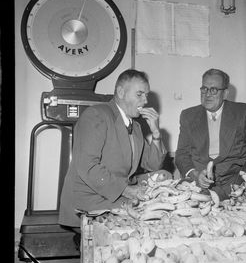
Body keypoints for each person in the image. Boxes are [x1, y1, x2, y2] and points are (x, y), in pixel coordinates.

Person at [59, 69, 170, 235]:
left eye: (146, 95)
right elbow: (88, 166)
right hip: (92, 198)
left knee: (165, 178)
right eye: (139, 94)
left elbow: (153, 164)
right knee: (154, 220)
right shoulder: (96, 115)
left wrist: (156, 133)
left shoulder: (136, 126)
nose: (145, 101)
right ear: (120, 92)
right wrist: (127, 190)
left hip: (115, 193)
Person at [175, 68, 246, 201]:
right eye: (204, 89)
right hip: (200, 181)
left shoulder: (243, 112)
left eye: (214, 90)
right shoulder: (188, 116)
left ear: (225, 93)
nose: (207, 94)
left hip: (236, 180)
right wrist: (195, 175)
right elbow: (181, 155)